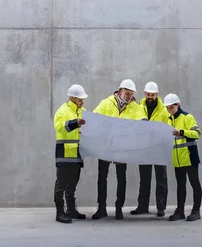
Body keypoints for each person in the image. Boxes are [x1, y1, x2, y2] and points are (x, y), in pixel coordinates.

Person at [91, 79, 148, 220]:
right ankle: (101, 208)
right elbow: (95, 116)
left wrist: (143, 124)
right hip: (105, 147)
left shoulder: (135, 107)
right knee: (102, 178)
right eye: (127, 93)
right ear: (120, 90)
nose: (129, 96)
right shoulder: (106, 103)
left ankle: (118, 208)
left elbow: (142, 118)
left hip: (122, 148)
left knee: (121, 178)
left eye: (131, 94)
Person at [130, 81, 170, 217]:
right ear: (145, 94)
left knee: (161, 178)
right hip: (144, 148)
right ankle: (142, 206)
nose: (150, 97)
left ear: (157, 95)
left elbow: (168, 124)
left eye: (153, 95)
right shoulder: (139, 107)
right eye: (148, 94)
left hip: (159, 148)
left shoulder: (164, 110)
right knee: (144, 178)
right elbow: (135, 121)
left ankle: (161, 207)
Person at [52, 84, 89, 224]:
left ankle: (71, 210)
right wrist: (75, 123)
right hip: (65, 154)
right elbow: (59, 126)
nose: (82, 102)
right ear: (72, 98)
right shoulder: (62, 111)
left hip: (77, 154)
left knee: (73, 183)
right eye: (80, 99)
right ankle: (60, 213)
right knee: (61, 183)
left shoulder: (82, 111)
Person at [164, 93, 202, 222]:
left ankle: (196, 211)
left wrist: (182, 132)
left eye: (171, 107)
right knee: (181, 186)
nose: (169, 110)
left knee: (194, 184)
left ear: (178, 105)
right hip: (178, 159)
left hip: (190, 157)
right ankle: (180, 211)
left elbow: (197, 133)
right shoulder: (169, 120)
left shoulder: (187, 117)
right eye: (167, 108)